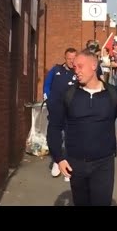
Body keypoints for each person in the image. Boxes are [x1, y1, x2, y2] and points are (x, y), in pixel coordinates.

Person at [47, 49, 117, 206]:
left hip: (104, 163)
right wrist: (59, 158)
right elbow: (54, 126)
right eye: (75, 67)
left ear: (94, 65)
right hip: (76, 163)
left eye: (80, 66)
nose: (76, 71)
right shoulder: (68, 95)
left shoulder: (113, 94)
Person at [43, 47, 77, 180]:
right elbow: (46, 85)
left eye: (74, 59)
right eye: (69, 59)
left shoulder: (78, 72)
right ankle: (57, 161)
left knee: (71, 137)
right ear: (65, 58)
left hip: (72, 111)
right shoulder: (56, 70)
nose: (71, 61)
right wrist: (48, 100)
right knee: (54, 136)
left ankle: (68, 165)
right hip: (56, 109)